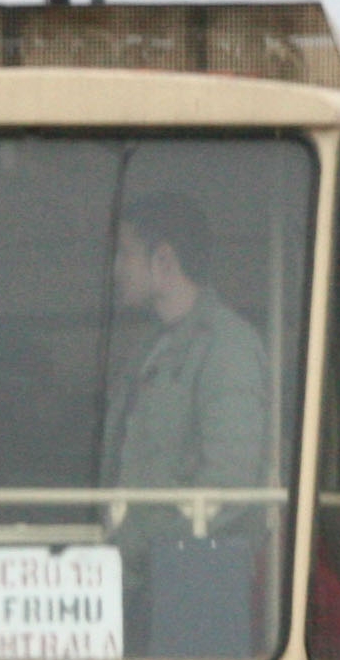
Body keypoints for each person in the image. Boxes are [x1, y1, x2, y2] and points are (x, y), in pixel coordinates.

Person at [99, 196, 272, 492]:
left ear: (163, 260)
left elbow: (228, 482)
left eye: (126, 254)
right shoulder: (147, 347)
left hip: (186, 539)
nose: (115, 269)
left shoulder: (228, 347)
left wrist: (164, 536)